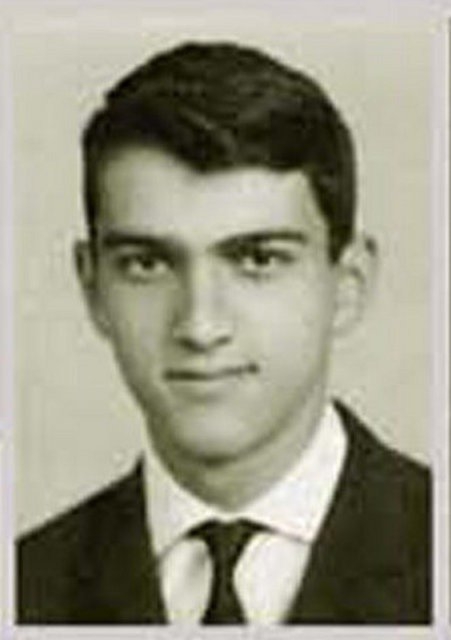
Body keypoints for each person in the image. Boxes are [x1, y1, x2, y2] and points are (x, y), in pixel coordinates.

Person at [17, 41, 431, 625]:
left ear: (348, 283)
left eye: (258, 259)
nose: (200, 326)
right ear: (93, 288)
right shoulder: (25, 586)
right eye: (147, 263)